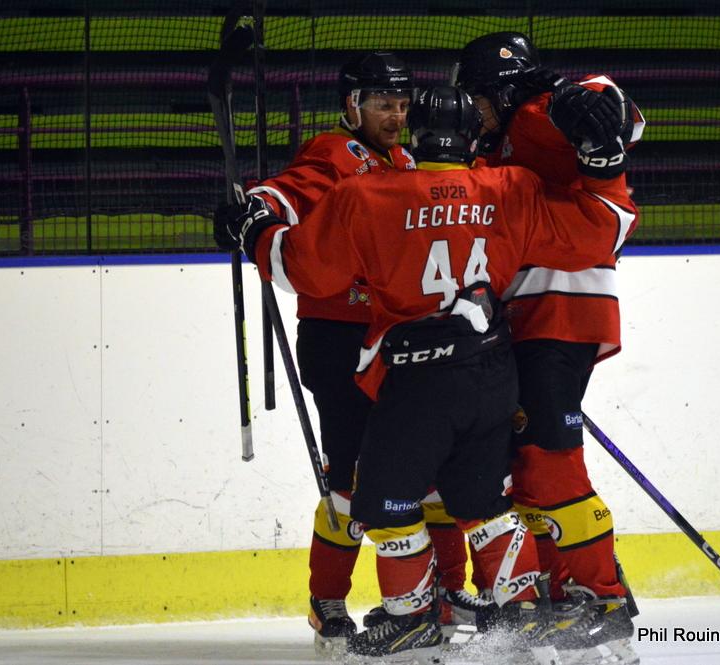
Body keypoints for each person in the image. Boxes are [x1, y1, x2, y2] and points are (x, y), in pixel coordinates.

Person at [215, 85, 637, 663]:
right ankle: (518, 615)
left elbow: (302, 270)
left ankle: (411, 618)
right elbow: (600, 230)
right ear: (471, 138)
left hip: (416, 380)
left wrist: (256, 232)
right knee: (485, 503)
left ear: (414, 136)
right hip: (493, 374)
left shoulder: (367, 194)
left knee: (383, 504)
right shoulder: (513, 187)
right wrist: (606, 166)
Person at [215, 51, 473, 651]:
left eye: (402, 105)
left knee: (427, 471)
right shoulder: (333, 153)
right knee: (351, 481)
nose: (396, 116)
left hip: (397, 341)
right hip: (338, 341)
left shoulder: (407, 161)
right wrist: (255, 212)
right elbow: (285, 195)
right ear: (353, 105)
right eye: (383, 104)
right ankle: (327, 598)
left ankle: (443, 590)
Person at [453, 28, 645, 647]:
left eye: (478, 95)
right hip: (530, 316)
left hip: (561, 308)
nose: (473, 108)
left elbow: (617, 111)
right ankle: (565, 591)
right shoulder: (496, 143)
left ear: (501, 90)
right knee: (528, 465)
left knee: (548, 461)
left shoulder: (535, 114)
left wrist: (583, 101)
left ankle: (603, 596)